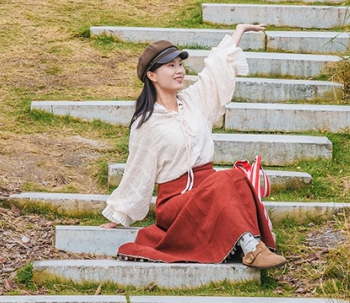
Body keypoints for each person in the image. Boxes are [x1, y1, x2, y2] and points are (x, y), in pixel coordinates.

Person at [101, 23, 286, 269]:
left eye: (180, 64)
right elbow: (138, 171)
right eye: (170, 66)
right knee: (221, 182)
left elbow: (216, 68)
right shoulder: (147, 123)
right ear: (152, 75)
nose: (179, 71)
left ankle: (249, 244)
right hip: (176, 201)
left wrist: (239, 31)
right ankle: (251, 249)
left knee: (234, 177)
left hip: (208, 189)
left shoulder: (193, 101)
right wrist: (118, 214)